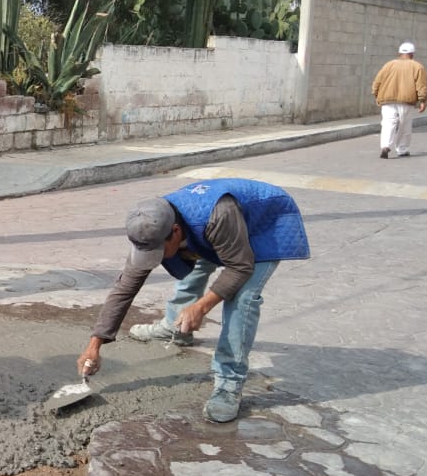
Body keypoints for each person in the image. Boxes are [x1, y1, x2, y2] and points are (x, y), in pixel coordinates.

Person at [76, 179, 310, 423]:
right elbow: (124, 288)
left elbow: (240, 267)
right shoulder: (152, 223)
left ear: (175, 231)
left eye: (157, 250)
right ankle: (174, 327)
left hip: (264, 222)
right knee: (191, 260)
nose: (153, 259)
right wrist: (95, 344)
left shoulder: (217, 217)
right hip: (217, 230)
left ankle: (229, 383)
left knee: (243, 298)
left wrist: (201, 306)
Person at [372, 42, 427, 159]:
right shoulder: (417, 66)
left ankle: (385, 146)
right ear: (412, 54)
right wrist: (422, 100)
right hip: (406, 101)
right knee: (404, 125)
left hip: (387, 99)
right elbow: (421, 85)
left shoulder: (389, 65)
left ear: (399, 53)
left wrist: (376, 94)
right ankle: (402, 149)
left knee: (388, 123)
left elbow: (377, 81)